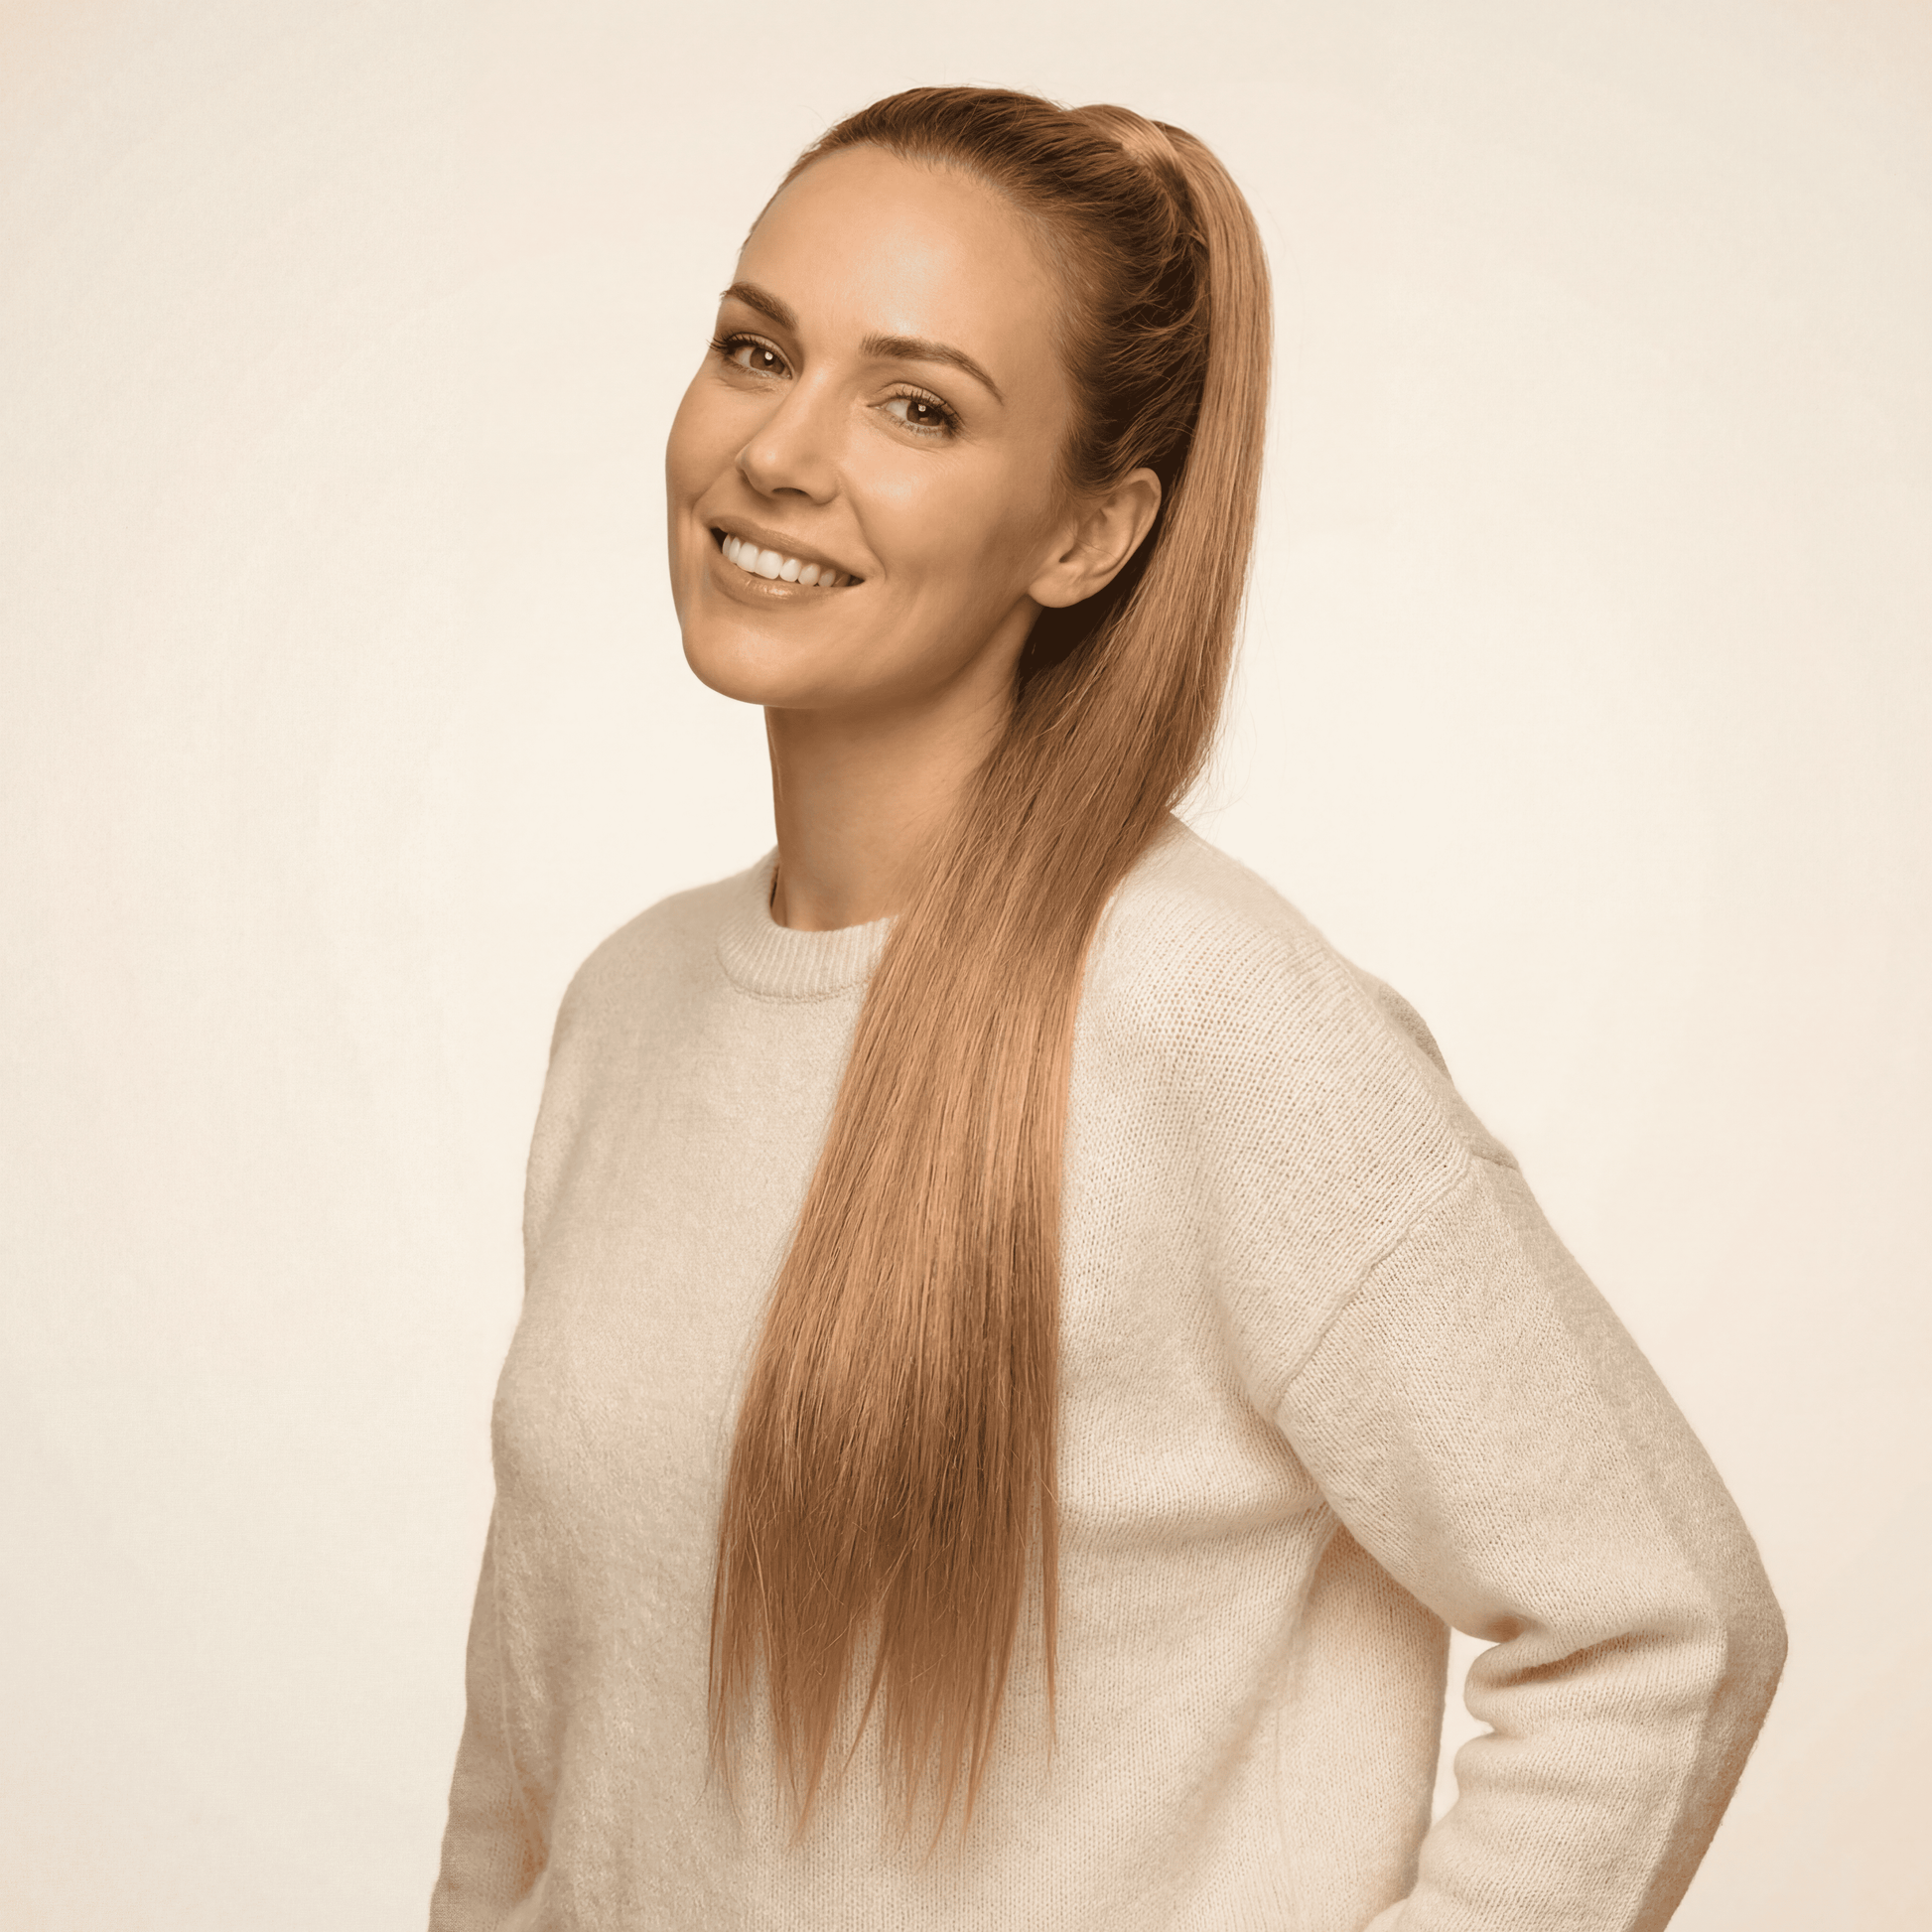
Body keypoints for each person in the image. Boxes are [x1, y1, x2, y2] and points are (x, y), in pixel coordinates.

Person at [427, 85, 1785, 1932]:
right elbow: (539, 1746)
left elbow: (1661, 1624)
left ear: (1086, 534)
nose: (781, 452)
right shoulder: (629, 1009)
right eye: (757, 350)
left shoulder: (1207, 1018)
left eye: (917, 405)